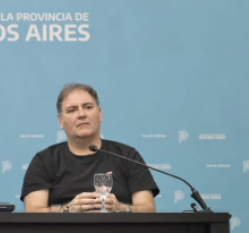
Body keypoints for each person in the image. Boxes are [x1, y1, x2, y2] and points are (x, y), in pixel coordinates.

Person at [21, 83, 159, 213]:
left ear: (100, 114)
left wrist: (121, 208)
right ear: (61, 121)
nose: (82, 114)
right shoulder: (44, 160)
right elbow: (33, 212)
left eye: (88, 107)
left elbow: (148, 209)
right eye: (72, 110)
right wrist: (67, 210)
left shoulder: (127, 155)